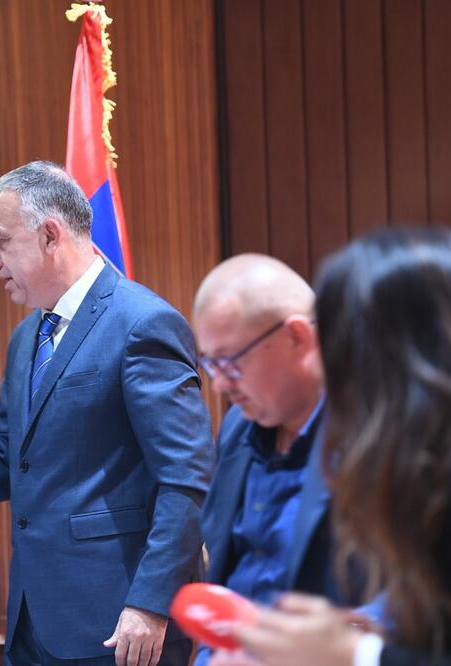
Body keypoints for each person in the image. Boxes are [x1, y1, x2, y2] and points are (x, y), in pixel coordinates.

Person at [0, 161, 215, 666]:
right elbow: (7, 460)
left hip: (120, 624)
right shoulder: (26, 337)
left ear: (50, 235)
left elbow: (186, 477)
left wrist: (150, 603)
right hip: (33, 624)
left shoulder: (142, 324)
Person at [228, 226, 451, 665]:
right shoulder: (429, 453)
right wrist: (354, 636)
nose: (323, 365)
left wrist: (354, 652)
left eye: (333, 342)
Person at [190, 254, 358, 666]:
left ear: (297, 336)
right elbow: (227, 577)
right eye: (210, 364)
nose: (219, 384)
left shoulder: (375, 435)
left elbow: (419, 596)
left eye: (230, 362)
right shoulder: (237, 427)